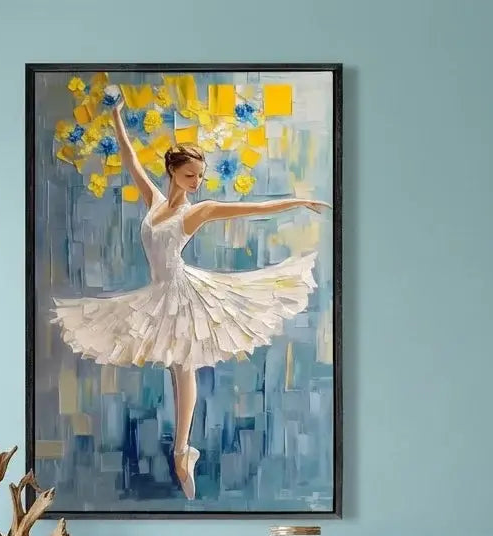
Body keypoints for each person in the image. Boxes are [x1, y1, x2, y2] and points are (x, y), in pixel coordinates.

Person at [52, 89, 330, 500]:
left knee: (184, 365)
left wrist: (299, 200)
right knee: (175, 367)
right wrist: (116, 117)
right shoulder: (155, 202)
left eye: (199, 176)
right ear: (172, 173)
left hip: (183, 291)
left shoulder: (196, 211)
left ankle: (183, 450)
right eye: (189, 176)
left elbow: (251, 209)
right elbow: (129, 159)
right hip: (159, 292)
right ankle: (184, 451)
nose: (196, 183)